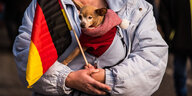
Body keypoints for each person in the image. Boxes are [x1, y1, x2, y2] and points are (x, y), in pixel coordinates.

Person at [13, 0, 168, 95]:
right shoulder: (46, 4)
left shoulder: (136, 6)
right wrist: (67, 78)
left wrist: (107, 78)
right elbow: (25, 52)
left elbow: (153, 57)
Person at [158, 0, 192, 96]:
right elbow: (163, 14)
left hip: (180, 41)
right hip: (179, 43)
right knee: (180, 75)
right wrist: (171, 35)